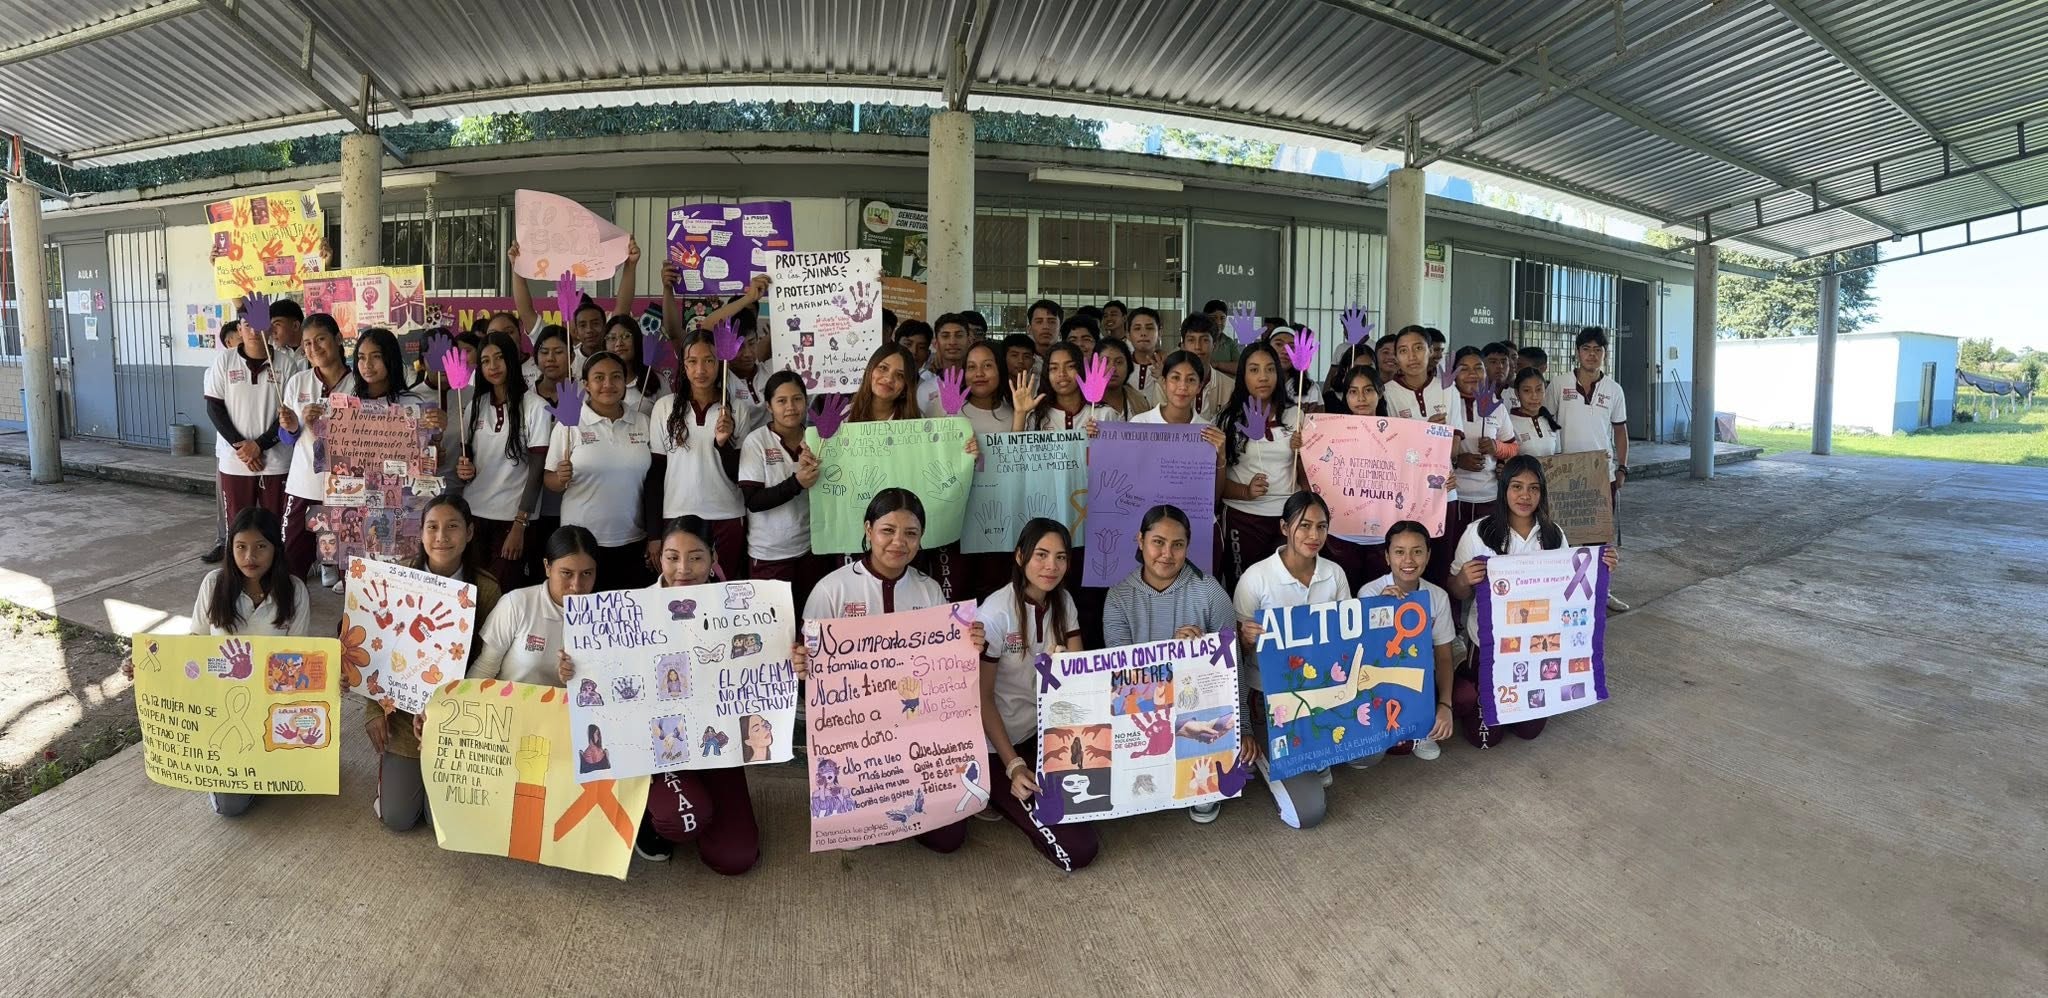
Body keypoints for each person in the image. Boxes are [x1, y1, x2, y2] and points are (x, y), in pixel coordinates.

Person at [567, 515, 761, 873]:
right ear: (660, 559)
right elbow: (601, 677)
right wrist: (574, 668)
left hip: (716, 743)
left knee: (735, 857)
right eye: (672, 557)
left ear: (714, 556)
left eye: (696, 557)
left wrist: (792, 661)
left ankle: (699, 796)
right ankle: (645, 811)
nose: (683, 569)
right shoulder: (633, 609)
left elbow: (764, 663)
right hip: (658, 746)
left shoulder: (742, 608)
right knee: (683, 819)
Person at [921, 518, 1098, 870]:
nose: (1051, 566)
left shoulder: (1064, 602)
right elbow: (981, 698)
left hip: (1041, 738)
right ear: (1020, 556)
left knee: (1094, 807)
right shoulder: (995, 614)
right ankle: (994, 789)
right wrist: (1013, 766)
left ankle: (998, 795)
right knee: (1078, 851)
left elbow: (1080, 680)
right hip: (994, 746)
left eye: (1061, 557)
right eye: (1041, 555)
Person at [122, 507, 309, 817]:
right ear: (230, 547)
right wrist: (148, 666)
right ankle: (223, 771)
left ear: (276, 548)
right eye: (241, 546)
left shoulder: (295, 591)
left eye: (261, 546)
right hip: (222, 705)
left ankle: (265, 767)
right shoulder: (213, 584)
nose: (250, 556)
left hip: (273, 703)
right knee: (230, 807)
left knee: (295, 778)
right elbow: (194, 645)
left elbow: (302, 656)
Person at [1443, 457, 1617, 747]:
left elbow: (1570, 589)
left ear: (1542, 493)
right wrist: (1463, 579)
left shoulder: (1553, 533)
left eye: (1534, 488)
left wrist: (1601, 566)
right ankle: (1472, 678)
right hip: (1490, 644)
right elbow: (1456, 591)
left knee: (1528, 731)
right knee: (1486, 740)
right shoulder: (1478, 532)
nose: (1525, 496)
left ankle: (1511, 693)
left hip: (1536, 646)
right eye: (1517, 487)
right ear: (1504, 489)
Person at [369, 495, 503, 831]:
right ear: (421, 533)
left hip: (454, 717)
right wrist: (373, 712)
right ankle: (394, 781)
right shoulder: (397, 577)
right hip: (400, 714)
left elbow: (490, 665)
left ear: (470, 532)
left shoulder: (486, 590)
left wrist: (446, 713)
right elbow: (375, 648)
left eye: (452, 526)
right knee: (398, 818)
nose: (441, 536)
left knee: (442, 820)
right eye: (432, 527)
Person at [1100, 505, 1240, 824]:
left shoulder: (1209, 592)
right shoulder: (1119, 598)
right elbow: (1124, 681)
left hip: (1195, 708)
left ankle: (1200, 778)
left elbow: (1233, 669)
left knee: (1211, 745)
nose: (1167, 553)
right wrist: (1174, 656)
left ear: (1188, 547)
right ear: (1140, 540)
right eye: (1158, 542)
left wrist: (1241, 729)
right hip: (1143, 714)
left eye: (1178, 545)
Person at [1232, 491, 1356, 828]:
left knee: (1370, 751)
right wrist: (1244, 640)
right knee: (1308, 813)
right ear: (1285, 527)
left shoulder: (1334, 573)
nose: (1313, 536)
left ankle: (1317, 753)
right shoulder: (1256, 579)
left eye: (1321, 527)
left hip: (1323, 692)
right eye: (1304, 526)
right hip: (1270, 698)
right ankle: (1268, 754)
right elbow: (1234, 660)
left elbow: (1348, 639)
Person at [543, 353, 652, 590]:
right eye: (599, 378)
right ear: (586, 385)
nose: (608, 385)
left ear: (626, 382)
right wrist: (559, 478)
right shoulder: (569, 424)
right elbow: (549, 479)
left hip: (633, 537)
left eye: (616, 377)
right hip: (580, 545)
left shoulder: (643, 422)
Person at [646, 330, 747, 585]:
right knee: (679, 592)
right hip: (677, 516)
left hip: (726, 516)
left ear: (720, 363)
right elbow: (656, 474)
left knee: (723, 595)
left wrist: (723, 444)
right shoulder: (665, 408)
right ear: (683, 365)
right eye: (692, 361)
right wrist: (654, 534)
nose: (700, 369)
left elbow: (741, 476)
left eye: (709, 360)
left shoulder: (736, 409)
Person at [456, 331, 553, 590]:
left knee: (503, 591)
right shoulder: (474, 406)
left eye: (499, 358)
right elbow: (467, 461)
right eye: (485, 361)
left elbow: (536, 472)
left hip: (512, 519)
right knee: (472, 591)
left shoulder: (535, 406)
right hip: (474, 514)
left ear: (511, 359)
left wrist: (520, 525)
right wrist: (464, 468)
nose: (493, 366)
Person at [1358, 519, 1458, 762]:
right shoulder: (1370, 593)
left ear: (1428, 555)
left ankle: (1422, 727)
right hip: (1380, 681)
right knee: (1390, 748)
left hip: (1420, 681)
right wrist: (1380, 607)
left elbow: (1444, 656)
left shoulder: (1438, 597)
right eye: (1399, 552)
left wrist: (1445, 706)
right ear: (1387, 556)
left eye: (1417, 551)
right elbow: (1364, 653)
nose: (1409, 560)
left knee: (1461, 698)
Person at [204, 305, 305, 539]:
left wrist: (259, 445)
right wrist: (242, 446)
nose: (254, 330)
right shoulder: (224, 361)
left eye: (260, 324)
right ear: (240, 329)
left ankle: (275, 574)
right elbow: (214, 408)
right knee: (238, 529)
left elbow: (287, 414)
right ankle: (238, 575)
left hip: (276, 462)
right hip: (235, 461)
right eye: (248, 325)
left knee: (275, 528)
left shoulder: (286, 364)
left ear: (269, 328)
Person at [1549, 327, 1631, 613]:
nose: (1592, 355)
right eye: (1587, 349)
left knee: (1599, 538)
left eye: (1598, 350)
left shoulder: (1614, 389)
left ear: (1604, 355)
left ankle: (1602, 592)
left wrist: (1622, 468)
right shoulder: (1559, 385)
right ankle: (1565, 594)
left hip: (1600, 476)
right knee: (1563, 537)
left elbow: (1620, 431)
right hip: (1564, 475)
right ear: (1577, 351)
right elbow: (1546, 423)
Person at [276, 313, 355, 585]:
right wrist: (292, 427)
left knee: (351, 567)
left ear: (338, 339)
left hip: (347, 489)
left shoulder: (358, 384)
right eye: (307, 343)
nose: (314, 348)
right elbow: (287, 440)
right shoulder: (298, 382)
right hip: (304, 485)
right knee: (288, 560)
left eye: (320, 339)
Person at [739, 372, 828, 611]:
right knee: (775, 630)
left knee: (809, 622)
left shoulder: (819, 439)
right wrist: (797, 483)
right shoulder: (756, 442)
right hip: (768, 554)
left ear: (806, 401)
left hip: (811, 550)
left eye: (797, 399)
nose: (790, 407)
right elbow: (753, 501)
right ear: (768, 406)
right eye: (781, 401)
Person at [1218, 341, 1303, 587]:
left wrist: (1304, 452)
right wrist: (1245, 491)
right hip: (1243, 518)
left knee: (1284, 586)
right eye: (1254, 370)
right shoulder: (1227, 419)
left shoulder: (1295, 415)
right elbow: (1217, 481)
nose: (1263, 377)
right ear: (1242, 375)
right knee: (1243, 585)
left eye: (1270, 369)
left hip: (1287, 518)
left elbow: (1308, 476)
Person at [472, 525, 598, 686]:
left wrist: (577, 678)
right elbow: (485, 669)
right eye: (567, 573)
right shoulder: (517, 604)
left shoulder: (604, 619)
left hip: (564, 710)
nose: (577, 585)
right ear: (547, 567)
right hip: (507, 707)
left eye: (587, 573)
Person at [1319, 363, 1392, 593]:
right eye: (1353, 391)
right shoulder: (1330, 432)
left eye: (1368, 390)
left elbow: (1416, 474)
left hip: (1383, 536)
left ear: (1380, 393)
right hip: (1341, 534)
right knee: (1344, 600)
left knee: (1378, 603)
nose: (1361, 397)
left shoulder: (1400, 434)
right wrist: (1302, 446)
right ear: (1346, 396)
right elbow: (1316, 469)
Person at [1444, 346, 1515, 576]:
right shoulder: (1446, 404)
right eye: (1464, 369)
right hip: (1455, 501)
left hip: (1489, 499)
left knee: (1490, 562)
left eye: (1478, 368)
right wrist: (1457, 461)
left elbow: (1513, 448)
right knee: (1453, 564)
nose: (1472, 374)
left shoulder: (1495, 406)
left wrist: (1497, 448)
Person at [522, 325, 574, 581]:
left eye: (558, 352)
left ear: (572, 357)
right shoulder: (525, 399)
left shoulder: (585, 396)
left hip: (573, 504)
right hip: (535, 509)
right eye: (544, 352)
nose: (551, 358)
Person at [1013, 342, 1116, 432]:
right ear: (1047, 374)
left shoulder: (1105, 414)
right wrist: (1020, 413)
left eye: (1070, 366)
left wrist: (1099, 440)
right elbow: (1016, 453)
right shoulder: (1038, 417)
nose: (1062, 373)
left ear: (1080, 369)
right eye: (1054, 368)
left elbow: (1117, 453)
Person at [1383, 325, 1450, 423]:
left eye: (1418, 348)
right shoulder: (1386, 393)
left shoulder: (1448, 389)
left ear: (1430, 351)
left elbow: (1456, 436)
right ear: (1396, 357)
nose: (1412, 357)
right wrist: (1427, 430)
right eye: (1403, 350)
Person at [1178, 313, 1234, 422]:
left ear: (1215, 345)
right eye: (1191, 340)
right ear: (1183, 346)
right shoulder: (1168, 386)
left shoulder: (1229, 387)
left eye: (1204, 340)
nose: (1197, 346)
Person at [953, 340, 1016, 436]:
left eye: (987, 365)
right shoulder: (950, 412)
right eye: (971, 367)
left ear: (1000, 369)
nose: (979, 373)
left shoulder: (1013, 415)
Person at [915, 312, 974, 414]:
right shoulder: (925, 389)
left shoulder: (979, 383)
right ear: (936, 343)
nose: (952, 342)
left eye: (959, 335)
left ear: (969, 341)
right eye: (945, 336)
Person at [849, 342, 921, 423]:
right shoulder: (844, 416)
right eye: (883, 368)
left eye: (900, 375)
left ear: (906, 386)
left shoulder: (918, 422)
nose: (889, 379)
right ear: (870, 370)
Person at [1089, 337, 1154, 419]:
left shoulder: (1140, 401)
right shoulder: (1085, 403)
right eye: (1105, 362)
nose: (1112, 368)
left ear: (1128, 367)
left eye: (1119, 362)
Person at [1507, 367, 1563, 458]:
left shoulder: (1550, 421)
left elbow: (1558, 458)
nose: (1534, 396)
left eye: (1539, 389)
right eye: (1527, 391)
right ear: (1517, 393)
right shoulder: (1509, 423)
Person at [1268, 325, 1320, 409]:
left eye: (1292, 346)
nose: (1285, 351)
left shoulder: (1310, 388)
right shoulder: (1260, 383)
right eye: (1278, 344)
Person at [1125, 306, 1165, 405]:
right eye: (1137, 328)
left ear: (1160, 333)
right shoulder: (1122, 366)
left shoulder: (1170, 366)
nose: (1143, 333)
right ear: (1128, 335)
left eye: (1150, 328)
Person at [1201, 299, 1242, 373]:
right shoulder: (1198, 340)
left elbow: (1240, 367)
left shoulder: (1229, 343)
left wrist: (1217, 364)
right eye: (1214, 318)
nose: (1218, 322)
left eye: (1222, 318)